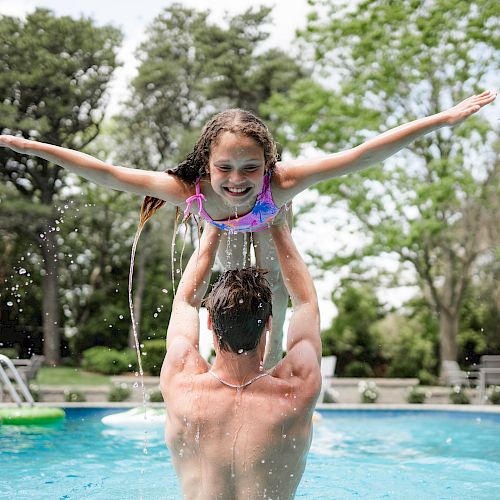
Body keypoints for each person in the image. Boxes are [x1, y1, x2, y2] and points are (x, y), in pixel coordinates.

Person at [0, 90, 496, 368]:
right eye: (226, 168)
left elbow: (362, 155)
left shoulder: (281, 183)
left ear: (267, 164)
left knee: (276, 300)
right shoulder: (188, 186)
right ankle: (228, 377)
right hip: (225, 247)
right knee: (230, 299)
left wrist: (441, 120)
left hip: (273, 232)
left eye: (250, 167)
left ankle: (273, 375)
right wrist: (40, 150)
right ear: (207, 164)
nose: (237, 180)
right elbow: (109, 173)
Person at [159, 216, 321, 500]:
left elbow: (185, 301)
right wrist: (278, 223)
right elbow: (306, 304)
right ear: (269, 322)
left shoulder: (181, 382)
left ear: (209, 321)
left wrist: (212, 225)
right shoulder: (297, 389)